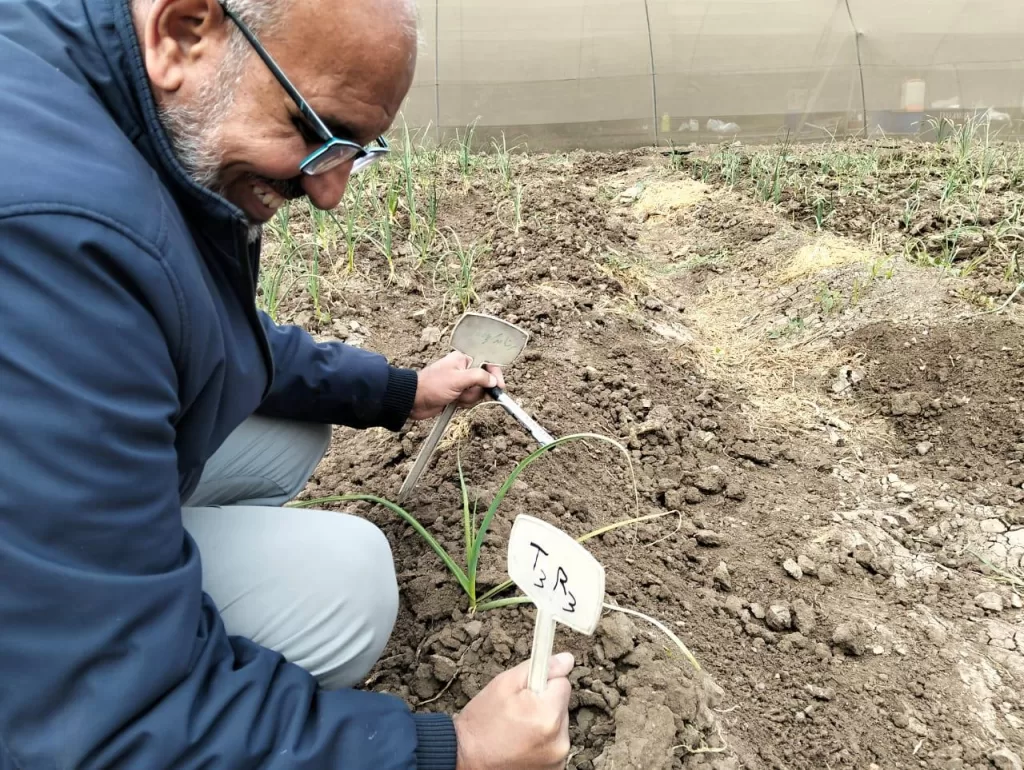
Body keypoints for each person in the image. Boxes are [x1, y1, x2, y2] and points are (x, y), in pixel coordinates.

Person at [0, 0, 575, 767]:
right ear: (182, 33)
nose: (332, 191)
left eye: (357, 151)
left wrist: (400, 390)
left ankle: (122, 547)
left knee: (288, 432)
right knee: (348, 583)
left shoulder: (92, 91)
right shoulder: (50, 235)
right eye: (317, 132)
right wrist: (450, 752)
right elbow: (101, 714)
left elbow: (192, 325)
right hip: (34, 680)